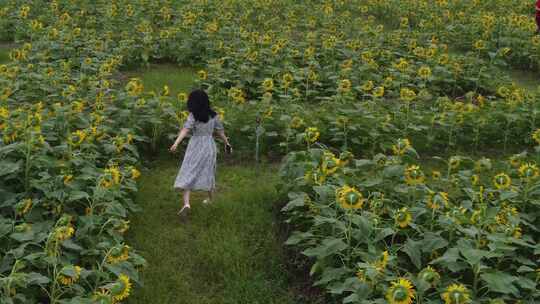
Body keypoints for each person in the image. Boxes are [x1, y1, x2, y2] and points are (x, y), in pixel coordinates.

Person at [169, 89, 231, 216]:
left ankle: (186, 204)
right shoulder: (214, 115)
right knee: (208, 171)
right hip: (209, 146)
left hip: (195, 145)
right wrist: (227, 143)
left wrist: (176, 143)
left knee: (189, 170)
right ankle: (210, 198)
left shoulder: (193, 116)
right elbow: (220, 132)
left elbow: (185, 130)